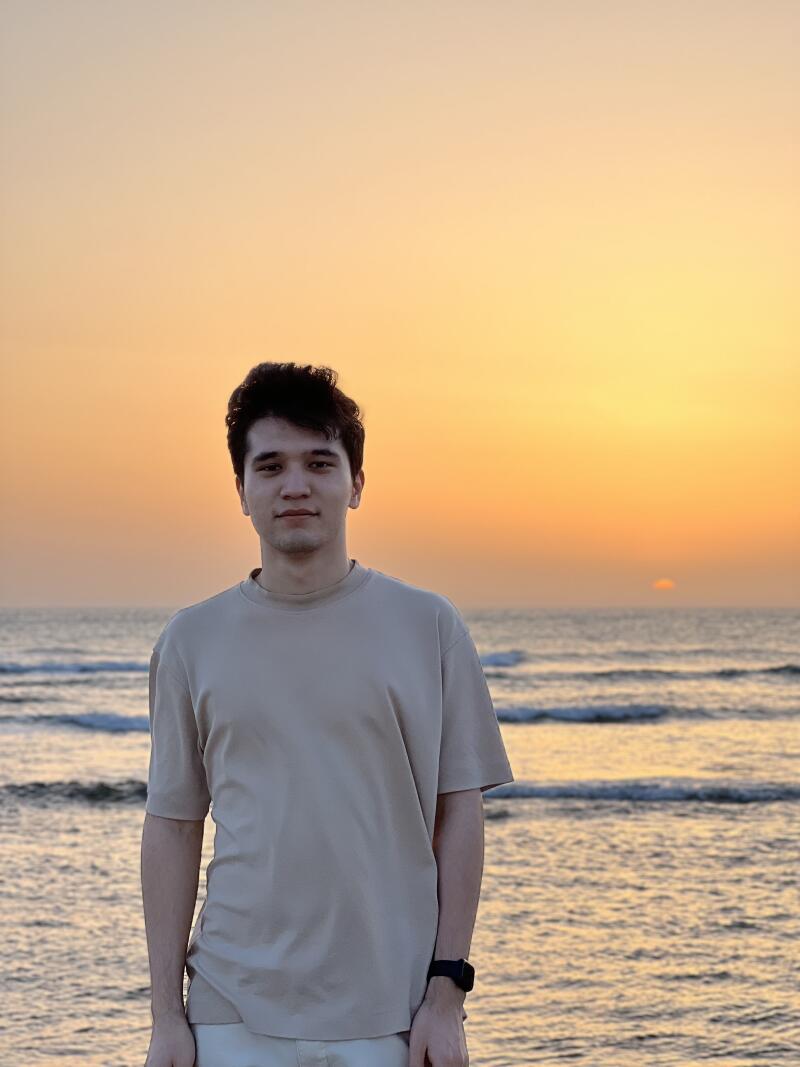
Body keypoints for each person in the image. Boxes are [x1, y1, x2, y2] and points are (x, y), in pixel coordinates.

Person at [141, 362, 515, 1067]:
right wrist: (167, 1014)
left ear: (357, 482)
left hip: (394, 1014)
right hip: (232, 1011)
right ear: (242, 490)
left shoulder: (428, 626)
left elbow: (459, 811)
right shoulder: (192, 639)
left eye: (320, 462)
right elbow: (172, 823)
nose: (295, 485)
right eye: (271, 465)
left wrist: (446, 995)